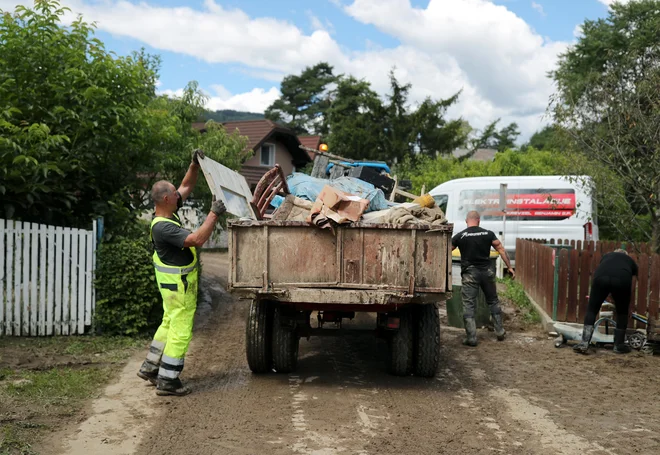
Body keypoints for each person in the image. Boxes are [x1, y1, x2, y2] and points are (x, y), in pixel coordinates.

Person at [137, 149, 226, 396]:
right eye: (175, 194)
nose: (180, 194)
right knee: (181, 329)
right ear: (167, 199)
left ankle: (150, 367)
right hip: (180, 286)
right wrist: (214, 213)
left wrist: (193, 164)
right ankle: (168, 380)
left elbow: (186, 185)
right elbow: (197, 239)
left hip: (170, 286)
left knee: (169, 322)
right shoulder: (165, 228)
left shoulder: (166, 212)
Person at [451, 210, 515, 346]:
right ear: (479, 220)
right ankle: (499, 331)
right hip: (487, 272)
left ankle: (472, 338)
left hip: (470, 274)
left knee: (469, 304)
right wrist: (509, 267)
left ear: (466, 221)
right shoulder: (488, 234)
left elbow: (445, 251)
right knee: (493, 301)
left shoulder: (460, 236)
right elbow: (501, 249)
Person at [574, 249, 638, 355]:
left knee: (592, 310)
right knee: (622, 312)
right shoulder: (630, 261)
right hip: (622, 279)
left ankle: (584, 343)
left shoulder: (606, 256)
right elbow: (632, 281)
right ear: (626, 256)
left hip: (600, 278)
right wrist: (625, 302)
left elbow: (607, 272)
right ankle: (618, 346)